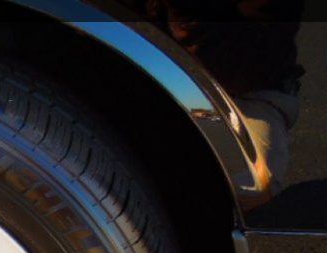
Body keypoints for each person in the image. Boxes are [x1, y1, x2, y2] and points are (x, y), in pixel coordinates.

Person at [122, 0, 305, 195]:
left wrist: (187, 14)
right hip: (143, 81)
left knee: (244, 188)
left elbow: (239, 67)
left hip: (241, 95)